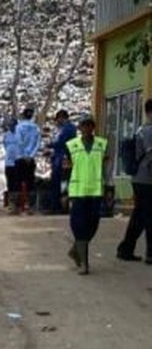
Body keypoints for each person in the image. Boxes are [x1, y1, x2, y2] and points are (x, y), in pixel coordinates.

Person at [64, 115, 108, 275]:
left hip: (96, 192)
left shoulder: (101, 145)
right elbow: (66, 170)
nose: (87, 129)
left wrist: (109, 188)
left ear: (93, 127)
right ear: (80, 128)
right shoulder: (72, 146)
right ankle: (84, 263)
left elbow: (107, 168)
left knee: (93, 226)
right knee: (79, 226)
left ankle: (76, 250)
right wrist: (64, 192)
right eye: (84, 126)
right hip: (78, 193)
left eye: (90, 125)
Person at [118, 99, 152, 263]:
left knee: (139, 216)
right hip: (147, 179)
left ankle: (125, 249)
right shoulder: (150, 131)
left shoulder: (141, 129)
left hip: (139, 178)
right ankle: (150, 253)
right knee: (149, 216)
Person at [47, 110, 77, 216]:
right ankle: (60, 205)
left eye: (58, 120)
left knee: (61, 182)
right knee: (63, 182)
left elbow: (61, 142)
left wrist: (50, 145)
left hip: (63, 158)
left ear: (61, 118)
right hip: (61, 157)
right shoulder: (66, 128)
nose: (57, 122)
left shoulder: (67, 129)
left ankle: (58, 205)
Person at [15, 107, 42, 214]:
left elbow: (19, 142)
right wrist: (31, 155)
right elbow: (37, 143)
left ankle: (19, 207)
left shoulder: (19, 127)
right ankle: (31, 206)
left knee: (18, 182)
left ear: (23, 115)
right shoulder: (36, 128)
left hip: (20, 158)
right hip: (31, 159)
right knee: (30, 182)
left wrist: (24, 154)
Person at [1, 116, 21, 209]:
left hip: (18, 162)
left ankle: (18, 203)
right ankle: (12, 202)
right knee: (10, 183)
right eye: (10, 125)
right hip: (9, 163)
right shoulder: (6, 135)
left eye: (13, 125)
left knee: (17, 183)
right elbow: (5, 146)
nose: (12, 127)